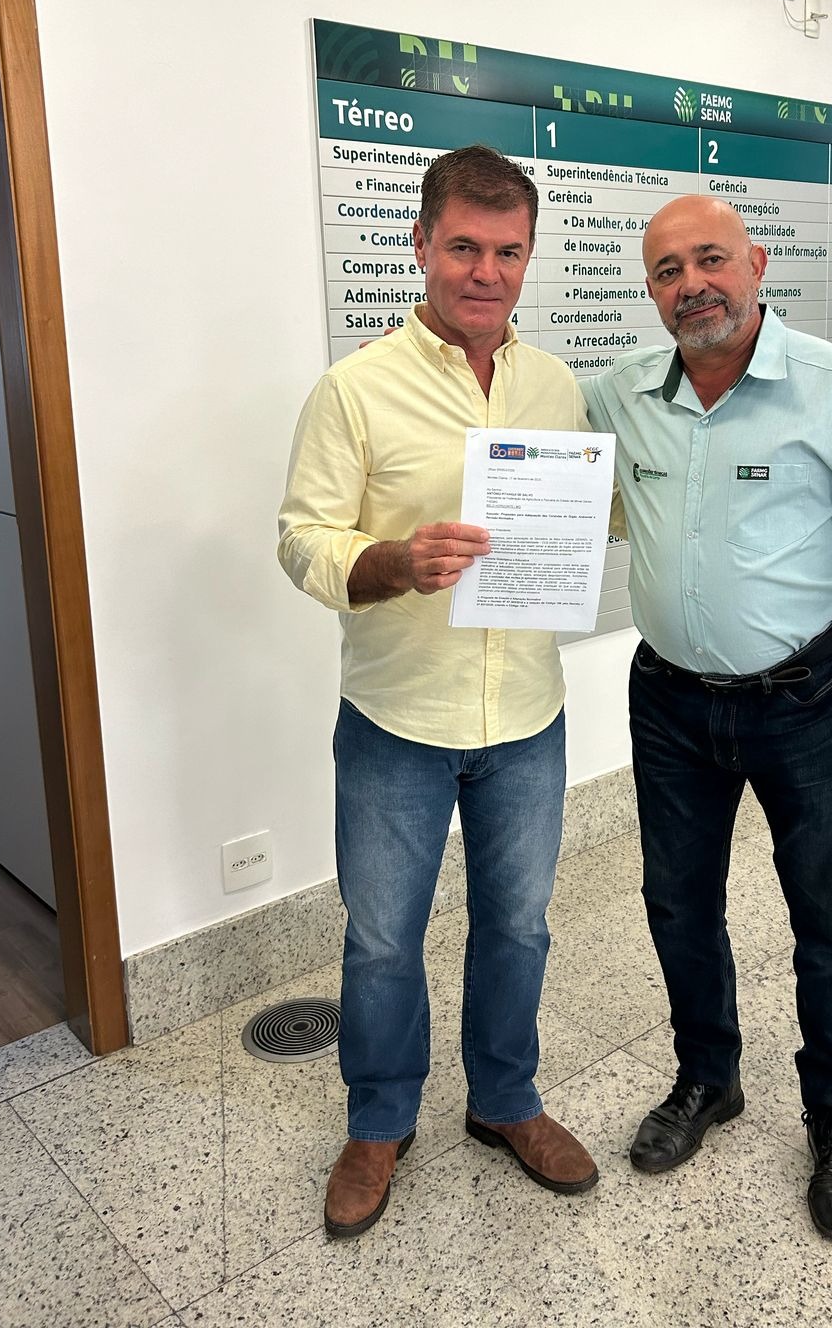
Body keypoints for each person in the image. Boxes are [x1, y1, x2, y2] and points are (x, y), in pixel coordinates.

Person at [584, 194, 832, 1243]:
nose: (692, 285)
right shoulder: (621, 394)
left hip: (809, 699)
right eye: (668, 271)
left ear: (756, 263)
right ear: (650, 290)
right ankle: (708, 1078)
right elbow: (523, 446)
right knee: (678, 903)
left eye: (710, 259)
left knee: (829, 920)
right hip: (669, 700)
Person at [278, 144, 598, 1240]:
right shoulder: (354, 389)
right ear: (420, 244)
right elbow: (303, 540)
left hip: (528, 717)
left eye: (508, 251)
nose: (486, 271)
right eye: (464, 246)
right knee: (381, 939)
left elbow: (579, 520)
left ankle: (505, 1100)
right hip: (396, 719)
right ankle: (379, 1122)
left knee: (519, 925)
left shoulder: (555, 386)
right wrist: (393, 562)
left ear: (528, 257)